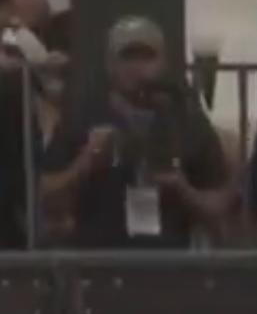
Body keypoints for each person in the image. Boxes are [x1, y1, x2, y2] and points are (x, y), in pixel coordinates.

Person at [40, 17, 232, 248]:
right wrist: (84, 163)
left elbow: (220, 204)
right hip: (98, 257)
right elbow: (45, 194)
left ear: (163, 63)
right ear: (110, 65)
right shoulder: (82, 117)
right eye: (127, 57)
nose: (137, 66)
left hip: (170, 258)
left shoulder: (186, 119)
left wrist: (183, 189)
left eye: (147, 57)